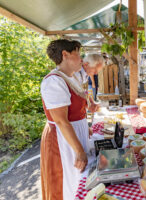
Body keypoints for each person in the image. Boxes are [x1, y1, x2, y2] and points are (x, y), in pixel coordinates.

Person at [40, 39, 102, 200]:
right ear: (65, 55)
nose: (81, 59)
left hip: (73, 133)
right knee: (68, 180)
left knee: (78, 178)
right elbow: (61, 121)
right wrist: (79, 150)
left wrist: (85, 121)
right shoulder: (53, 81)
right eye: (78, 54)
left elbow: (79, 97)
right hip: (62, 140)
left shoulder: (70, 77)